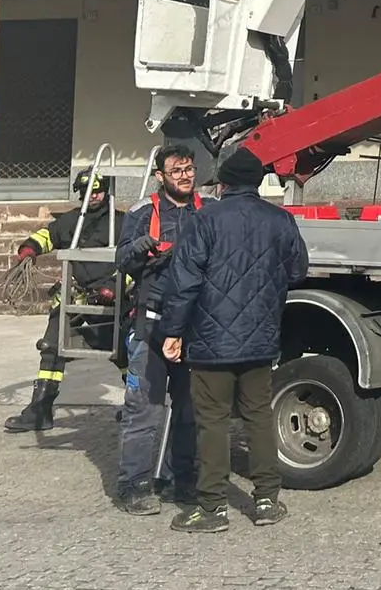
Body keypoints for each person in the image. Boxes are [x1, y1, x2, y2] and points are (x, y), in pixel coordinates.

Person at [159, 146, 307, 533]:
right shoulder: (281, 220)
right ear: (258, 183)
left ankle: (212, 508)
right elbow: (298, 270)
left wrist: (173, 331)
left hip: (210, 343)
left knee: (213, 422)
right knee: (258, 416)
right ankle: (266, 501)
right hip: (260, 338)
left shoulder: (204, 220)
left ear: (223, 183)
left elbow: (184, 282)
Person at [110, 142, 211, 514]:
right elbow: (120, 260)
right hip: (151, 325)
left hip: (193, 327)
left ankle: (179, 481)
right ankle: (133, 485)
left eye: (189, 170)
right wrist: (140, 248)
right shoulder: (142, 212)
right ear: (160, 176)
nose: (185, 177)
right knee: (144, 409)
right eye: (176, 171)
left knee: (189, 409)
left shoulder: (208, 211)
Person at [4, 168, 120, 434]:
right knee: (52, 348)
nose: (94, 196)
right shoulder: (70, 221)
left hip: (113, 301)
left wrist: (115, 287)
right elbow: (48, 235)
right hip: (75, 297)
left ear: (107, 191)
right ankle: (40, 410)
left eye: (98, 190)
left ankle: (136, 407)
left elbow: (135, 260)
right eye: (88, 192)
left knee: (123, 351)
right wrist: (29, 249)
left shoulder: (123, 223)